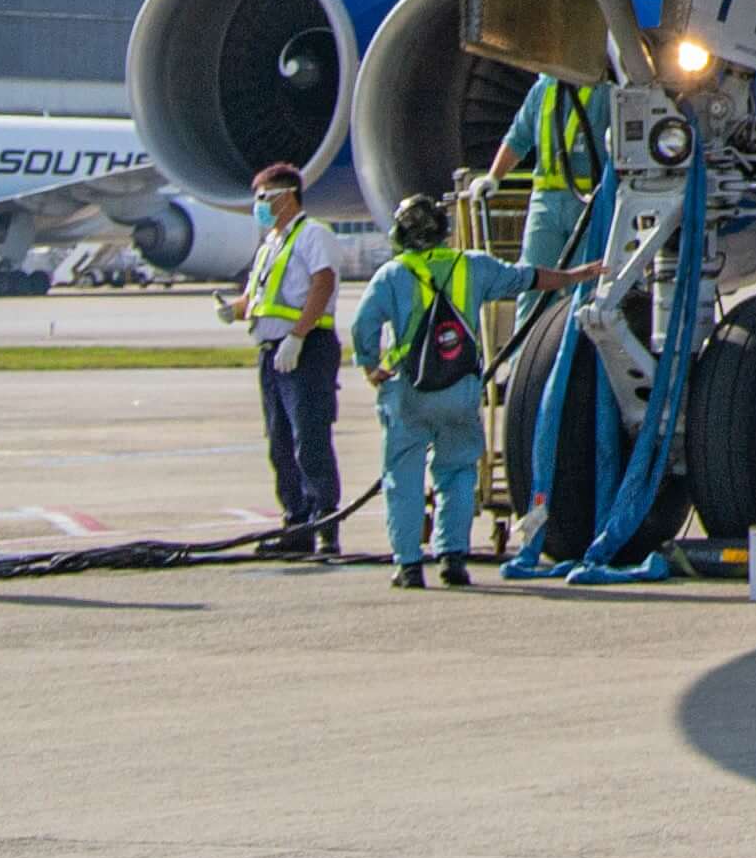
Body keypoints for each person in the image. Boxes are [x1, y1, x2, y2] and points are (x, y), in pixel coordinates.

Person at [351, 191, 587, 588]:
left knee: (403, 477)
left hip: (409, 390)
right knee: (458, 472)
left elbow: (363, 326)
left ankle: (409, 565)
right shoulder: (471, 266)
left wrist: (371, 366)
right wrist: (573, 277)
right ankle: (453, 558)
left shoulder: (392, 275)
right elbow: (526, 278)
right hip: (460, 389)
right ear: (444, 232)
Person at [223, 161, 345, 559]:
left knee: (309, 439)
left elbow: (322, 282)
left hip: (304, 349)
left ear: (287, 196)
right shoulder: (271, 243)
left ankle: (324, 524)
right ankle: (296, 523)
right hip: (271, 351)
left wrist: (297, 335)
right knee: (279, 443)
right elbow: (261, 298)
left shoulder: (313, 235)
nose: (258, 206)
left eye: (264, 198)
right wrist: (236, 308)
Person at [480, 73, 608, 275]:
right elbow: (518, 138)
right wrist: (493, 177)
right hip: (546, 202)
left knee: (586, 283)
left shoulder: (606, 92)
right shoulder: (543, 89)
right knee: (532, 278)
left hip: (591, 202)